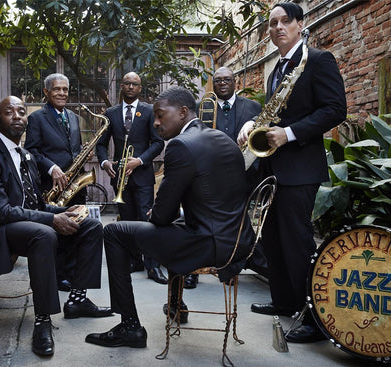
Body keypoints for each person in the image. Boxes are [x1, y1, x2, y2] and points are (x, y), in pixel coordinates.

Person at [85, 87, 254, 348]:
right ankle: (177, 306)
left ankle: (129, 327)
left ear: (183, 112)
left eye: (161, 115)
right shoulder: (223, 139)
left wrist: (159, 213)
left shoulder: (181, 146)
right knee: (177, 226)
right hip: (238, 241)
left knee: (114, 232)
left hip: (210, 244)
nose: (156, 123)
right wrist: (167, 213)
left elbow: (162, 216)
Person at [238, 2, 346, 343]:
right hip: (273, 167)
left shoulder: (317, 60)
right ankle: (285, 302)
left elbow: (335, 109)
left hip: (299, 168)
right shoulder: (276, 70)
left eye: (286, 21)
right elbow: (275, 116)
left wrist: (290, 133)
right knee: (272, 238)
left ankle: (314, 318)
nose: (278, 27)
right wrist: (252, 123)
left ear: (300, 24)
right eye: (272, 23)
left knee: (297, 242)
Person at [0, 96, 112, 357]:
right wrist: (51, 220)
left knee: (91, 225)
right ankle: (43, 319)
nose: (17, 116)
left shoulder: (26, 155)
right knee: (44, 233)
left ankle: (78, 299)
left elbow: (36, 204)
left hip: (29, 224)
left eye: (21, 112)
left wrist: (63, 211)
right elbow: (0, 212)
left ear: (26, 119)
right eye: (8, 112)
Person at [186, 66, 264, 289]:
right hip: (210, 176)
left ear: (235, 82)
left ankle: (230, 268)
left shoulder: (253, 107)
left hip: (244, 174)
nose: (222, 83)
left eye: (227, 80)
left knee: (237, 225)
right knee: (203, 223)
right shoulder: (203, 108)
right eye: (218, 80)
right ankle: (194, 270)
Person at [96, 72, 166, 284]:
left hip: (143, 176)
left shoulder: (148, 111)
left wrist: (140, 161)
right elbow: (100, 144)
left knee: (146, 221)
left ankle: (152, 266)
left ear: (140, 88)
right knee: (126, 222)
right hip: (120, 178)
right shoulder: (111, 113)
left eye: (134, 84)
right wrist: (105, 162)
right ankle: (134, 261)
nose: (130, 87)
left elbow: (158, 143)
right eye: (126, 83)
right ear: (121, 86)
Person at [24, 73, 84, 292]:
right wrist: (52, 167)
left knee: (75, 228)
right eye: (57, 89)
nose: (62, 93)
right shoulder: (37, 118)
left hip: (74, 183)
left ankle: (71, 272)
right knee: (57, 231)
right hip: (51, 185)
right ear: (46, 92)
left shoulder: (74, 117)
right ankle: (57, 277)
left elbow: (74, 149)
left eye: (65, 89)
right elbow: (31, 150)